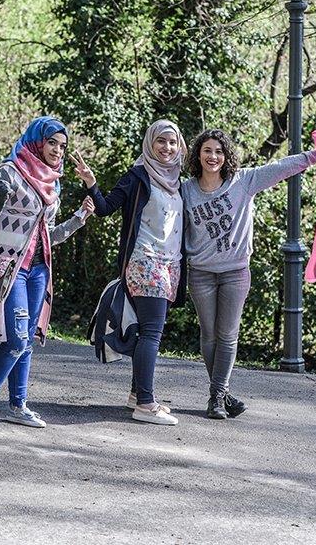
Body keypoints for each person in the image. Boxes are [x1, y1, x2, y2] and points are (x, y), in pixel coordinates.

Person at [182, 129, 316, 419]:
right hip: (201, 273)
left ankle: (217, 397)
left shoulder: (242, 181)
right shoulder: (186, 190)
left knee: (227, 334)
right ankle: (223, 393)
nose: (213, 157)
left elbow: (281, 168)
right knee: (209, 334)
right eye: (207, 150)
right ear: (198, 154)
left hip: (235, 273)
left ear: (226, 155)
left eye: (219, 151)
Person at [0, 116, 95, 428]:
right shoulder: (10, 171)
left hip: (39, 271)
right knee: (15, 340)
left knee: (26, 342)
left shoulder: (53, 181)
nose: (57, 150)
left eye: (63, 146)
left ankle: (18, 405)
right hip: (11, 268)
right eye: (52, 142)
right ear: (38, 140)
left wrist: (80, 217)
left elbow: (50, 232)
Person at [74, 119, 187, 426]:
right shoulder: (138, 176)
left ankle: (138, 395)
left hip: (170, 264)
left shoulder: (178, 182)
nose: (166, 147)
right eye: (160, 141)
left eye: (172, 142)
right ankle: (146, 405)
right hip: (145, 262)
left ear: (180, 147)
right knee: (152, 332)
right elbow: (106, 207)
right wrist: (91, 183)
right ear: (150, 143)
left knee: (144, 332)